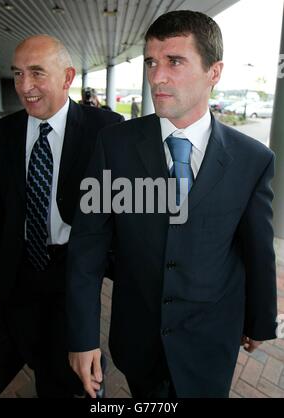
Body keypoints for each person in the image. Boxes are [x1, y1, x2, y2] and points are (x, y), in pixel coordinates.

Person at [67, 11, 278, 398]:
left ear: (214, 72)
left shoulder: (253, 159)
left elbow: (257, 248)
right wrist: (82, 336)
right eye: (151, 62)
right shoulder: (114, 145)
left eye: (174, 62)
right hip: (138, 339)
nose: (156, 76)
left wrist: (261, 320)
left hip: (211, 342)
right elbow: (87, 245)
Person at [0, 34, 123, 398]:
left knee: (73, 375)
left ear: (67, 77)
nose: (24, 87)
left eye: (36, 73)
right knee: (25, 348)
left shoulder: (106, 129)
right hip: (20, 269)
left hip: (72, 271)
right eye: (17, 74)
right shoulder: (4, 132)